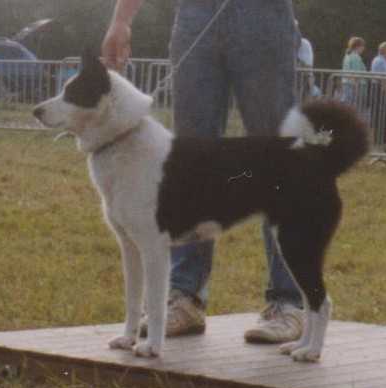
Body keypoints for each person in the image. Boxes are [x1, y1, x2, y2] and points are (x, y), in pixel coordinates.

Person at [102, 0, 305, 343]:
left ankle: (290, 302)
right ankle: (184, 295)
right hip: (195, 14)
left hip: (263, 15)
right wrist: (121, 18)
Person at [370, 42, 386, 145]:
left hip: (378, 87)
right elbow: (383, 76)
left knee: (381, 113)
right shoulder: (381, 61)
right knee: (383, 114)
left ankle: (380, 137)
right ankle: (382, 138)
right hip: (380, 89)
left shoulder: (378, 59)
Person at [341, 37, 367, 108]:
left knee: (346, 105)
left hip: (347, 84)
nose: (363, 48)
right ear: (358, 46)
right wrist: (356, 87)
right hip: (353, 86)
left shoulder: (347, 55)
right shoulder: (356, 57)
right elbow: (356, 73)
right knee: (352, 108)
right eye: (362, 46)